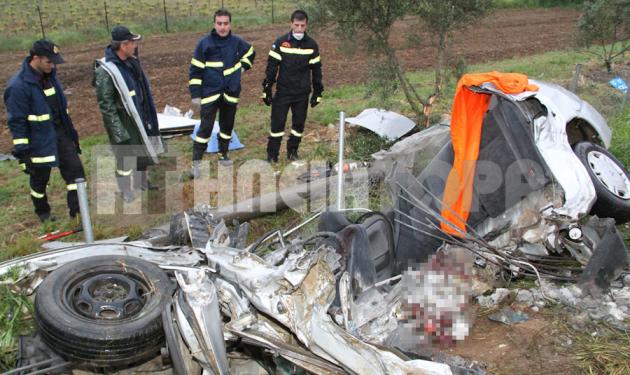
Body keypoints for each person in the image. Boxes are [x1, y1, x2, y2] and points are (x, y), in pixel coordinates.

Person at [4, 40, 85, 222]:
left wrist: (71, 137)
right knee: (40, 180)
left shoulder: (50, 77)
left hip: (60, 135)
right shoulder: (18, 87)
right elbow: (17, 122)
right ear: (35, 59)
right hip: (38, 141)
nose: (53, 65)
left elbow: (61, 110)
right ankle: (43, 213)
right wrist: (23, 153)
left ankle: (78, 213)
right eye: (49, 61)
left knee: (76, 173)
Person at [94, 26, 164, 202]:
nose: (135, 45)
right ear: (123, 45)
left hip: (139, 115)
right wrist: (118, 131)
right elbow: (106, 105)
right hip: (123, 121)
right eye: (132, 42)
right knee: (125, 157)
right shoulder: (106, 71)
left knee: (142, 150)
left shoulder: (131, 62)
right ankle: (125, 190)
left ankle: (142, 182)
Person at [188, 8, 255, 177]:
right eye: (219, 23)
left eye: (225, 23)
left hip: (231, 92)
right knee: (205, 128)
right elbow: (195, 70)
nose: (223, 27)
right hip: (210, 93)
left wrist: (242, 67)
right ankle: (196, 163)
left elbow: (251, 53)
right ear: (214, 24)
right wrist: (195, 94)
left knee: (227, 125)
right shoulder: (204, 43)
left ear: (230, 24)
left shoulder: (237, 42)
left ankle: (223, 154)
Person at [263, 10, 323, 163]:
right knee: (277, 124)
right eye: (296, 25)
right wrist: (267, 88)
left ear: (306, 25)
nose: (299, 29)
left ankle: (292, 152)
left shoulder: (311, 45)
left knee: (298, 125)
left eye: (302, 26)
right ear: (291, 24)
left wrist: (318, 91)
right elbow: (272, 67)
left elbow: (316, 70)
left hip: (302, 93)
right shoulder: (281, 43)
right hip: (283, 92)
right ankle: (272, 155)